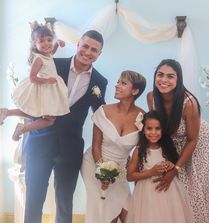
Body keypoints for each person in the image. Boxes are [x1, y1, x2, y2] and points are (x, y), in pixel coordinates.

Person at [22, 29, 108, 223]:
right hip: (39, 141)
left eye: (94, 50)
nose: (87, 52)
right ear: (78, 45)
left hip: (70, 148)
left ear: (99, 54)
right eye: (85, 46)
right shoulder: (52, 64)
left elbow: (100, 115)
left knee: (64, 202)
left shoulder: (100, 82)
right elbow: (33, 95)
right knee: (34, 199)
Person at [147, 59, 209, 223]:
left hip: (203, 145)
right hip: (175, 145)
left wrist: (176, 169)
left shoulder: (189, 103)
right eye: (160, 75)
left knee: (200, 194)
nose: (164, 80)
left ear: (178, 79)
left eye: (170, 76)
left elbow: (192, 140)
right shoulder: (151, 97)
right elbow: (156, 128)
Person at [81, 70, 146, 223]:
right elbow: (96, 146)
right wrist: (103, 172)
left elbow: (139, 152)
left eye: (123, 83)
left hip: (120, 170)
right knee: (104, 213)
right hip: (94, 164)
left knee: (127, 214)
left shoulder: (143, 118)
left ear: (135, 91)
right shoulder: (103, 111)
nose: (117, 85)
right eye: (118, 82)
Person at [0, 21, 70, 141]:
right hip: (43, 87)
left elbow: (52, 52)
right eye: (41, 41)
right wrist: (47, 80)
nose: (47, 43)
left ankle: (7, 112)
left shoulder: (47, 54)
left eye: (49, 40)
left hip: (49, 88)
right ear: (34, 44)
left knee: (37, 114)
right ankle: (21, 127)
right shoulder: (38, 59)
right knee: (49, 120)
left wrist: (57, 44)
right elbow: (32, 77)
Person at [126, 111, 194, 223]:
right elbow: (130, 176)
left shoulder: (167, 148)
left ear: (163, 130)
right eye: (149, 128)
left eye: (157, 128)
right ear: (143, 130)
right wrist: (151, 172)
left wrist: (171, 166)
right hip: (147, 194)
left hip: (168, 192)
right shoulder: (139, 150)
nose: (153, 132)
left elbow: (174, 166)